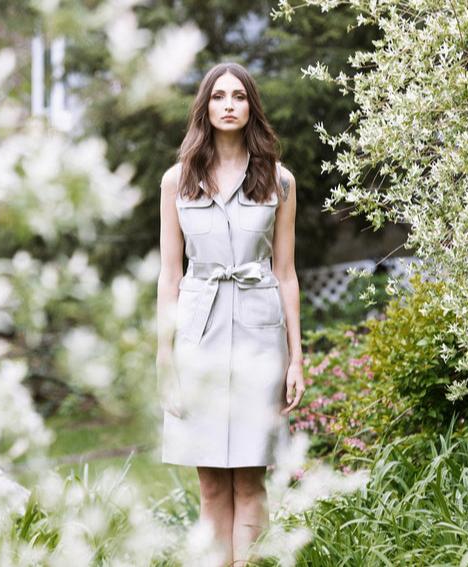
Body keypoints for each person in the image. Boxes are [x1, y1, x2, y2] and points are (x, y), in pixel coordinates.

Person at [156, 61, 305, 566]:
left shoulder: (279, 181)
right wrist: (164, 359)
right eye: (218, 96)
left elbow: (286, 272)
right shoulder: (176, 181)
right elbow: (169, 276)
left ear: (250, 107)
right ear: (205, 107)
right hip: (198, 335)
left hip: (261, 338)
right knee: (212, 484)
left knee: (250, 475)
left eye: (238, 96)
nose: (228, 105)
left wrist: (296, 359)